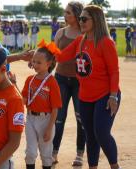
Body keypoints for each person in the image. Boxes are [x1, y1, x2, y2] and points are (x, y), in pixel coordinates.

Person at [56, 5, 121, 169]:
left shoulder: (105, 42)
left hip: (105, 95)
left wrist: (113, 96)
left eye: (85, 19)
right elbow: (62, 56)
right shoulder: (80, 40)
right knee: (90, 135)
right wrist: (41, 51)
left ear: (96, 20)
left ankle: (115, 166)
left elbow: (114, 71)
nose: (81, 21)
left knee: (101, 133)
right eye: (80, 18)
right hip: (85, 95)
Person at [52, 1, 86, 166]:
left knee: (81, 118)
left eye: (68, 13)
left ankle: (80, 154)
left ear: (77, 15)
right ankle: (53, 152)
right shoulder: (61, 32)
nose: (65, 16)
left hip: (80, 82)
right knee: (59, 117)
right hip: (61, 79)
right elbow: (53, 55)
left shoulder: (86, 33)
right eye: (64, 12)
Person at [22, 40, 62, 169]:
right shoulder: (30, 79)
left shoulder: (52, 82)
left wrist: (50, 128)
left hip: (46, 120)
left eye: (39, 62)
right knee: (30, 152)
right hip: (30, 119)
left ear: (49, 63)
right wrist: (14, 84)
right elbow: (23, 100)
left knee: (46, 154)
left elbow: (55, 108)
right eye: (34, 61)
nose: (35, 64)